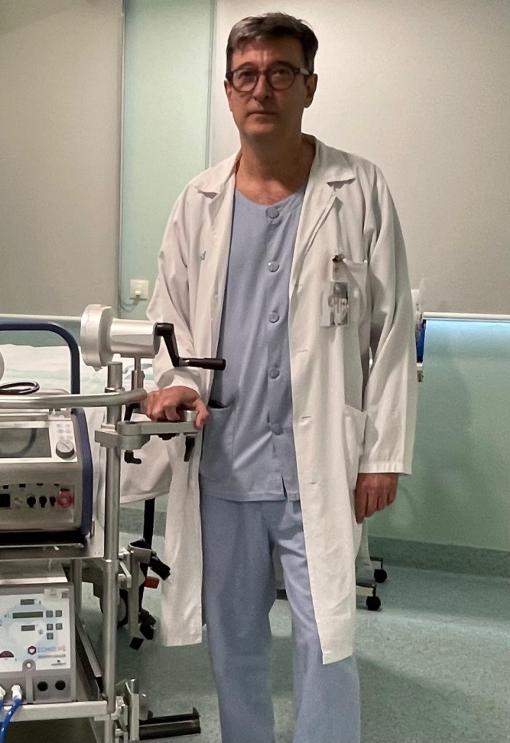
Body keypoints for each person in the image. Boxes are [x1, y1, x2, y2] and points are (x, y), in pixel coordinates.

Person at [144, 13, 417, 743]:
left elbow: (392, 328)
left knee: (326, 637)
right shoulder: (198, 201)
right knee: (233, 635)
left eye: (280, 73)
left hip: (316, 463)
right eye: (247, 75)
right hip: (226, 464)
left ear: (309, 87)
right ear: (228, 91)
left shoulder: (358, 188)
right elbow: (171, 319)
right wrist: (176, 381)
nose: (261, 89)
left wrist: (383, 453)